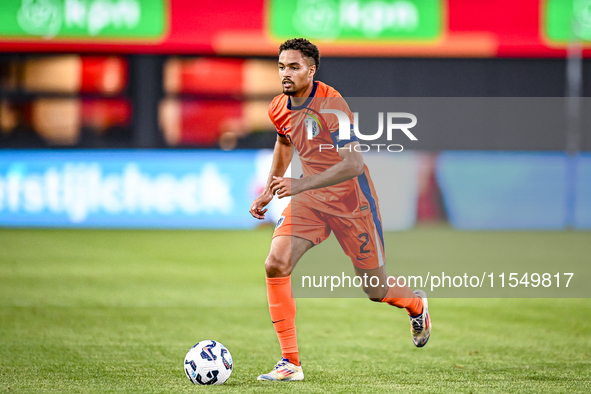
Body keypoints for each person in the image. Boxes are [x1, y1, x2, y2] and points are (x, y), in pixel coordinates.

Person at [249, 38, 431, 382]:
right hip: (312, 201)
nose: (285, 74)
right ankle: (290, 362)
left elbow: (354, 164)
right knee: (275, 262)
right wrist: (270, 188)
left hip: (352, 202)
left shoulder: (333, 105)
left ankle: (416, 305)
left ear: (311, 70)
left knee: (375, 290)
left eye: (294, 67)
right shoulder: (278, 106)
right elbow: (284, 140)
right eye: (281, 67)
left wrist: (298, 184)